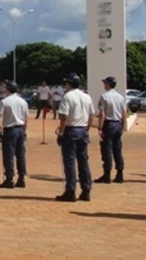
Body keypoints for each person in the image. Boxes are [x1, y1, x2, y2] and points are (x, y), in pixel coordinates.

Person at [55, 73, 96, 202]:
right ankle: (86, 189)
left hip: (71, 130)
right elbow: (91, 116)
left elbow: (64, 117)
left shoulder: (67, 97)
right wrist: (86, 129)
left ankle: (70, 190)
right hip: (83, 130)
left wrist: (61, 133)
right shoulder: (86, 96)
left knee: (69, 162)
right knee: (83, 161)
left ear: (69, 83)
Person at [0, 80, 28, 188]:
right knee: (21, 154)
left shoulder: (4, 102)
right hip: (20, 129)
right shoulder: (23, 101)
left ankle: (9, 178)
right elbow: (26, 118)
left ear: (8, 89)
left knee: (8, 154)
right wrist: (24, 131)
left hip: (10, 130)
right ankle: (21, 177)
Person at [95, 76, 128, 184]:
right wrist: (123, 126)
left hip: (108, 124)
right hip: (117, 124)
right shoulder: (120, 97)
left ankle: (107, 174)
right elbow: (124, 113)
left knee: (107, 150)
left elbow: (102, 114)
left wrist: (100, 127)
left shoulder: (104, 96)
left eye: (105, 83)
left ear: (108, 84)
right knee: (117, 150)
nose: (104, 85)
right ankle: (120, 173)